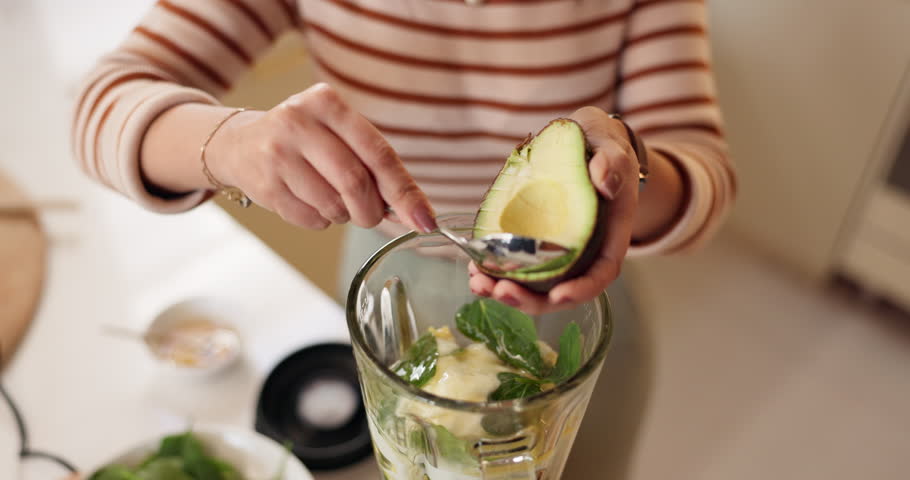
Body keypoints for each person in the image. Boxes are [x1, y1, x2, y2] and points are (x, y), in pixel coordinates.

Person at [71, 0, 735, 477]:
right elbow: (97, 103)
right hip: (393, 297)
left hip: (570, 318)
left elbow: (707, 176)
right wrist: (231, 143)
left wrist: (628, 171)